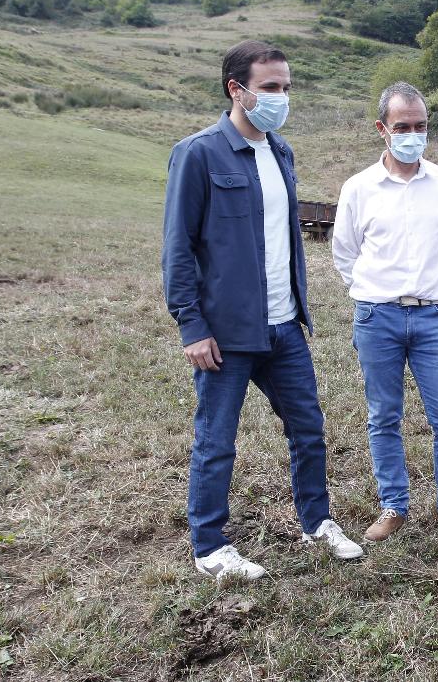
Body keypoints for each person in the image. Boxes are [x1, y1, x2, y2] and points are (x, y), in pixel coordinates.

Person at [162, 39, 364, 580]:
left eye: (286, 87)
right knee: (216, 439)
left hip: (284, 326)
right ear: (237, 89)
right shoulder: (199, 153)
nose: (280, 97)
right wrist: (191, 324)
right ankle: (210, 547)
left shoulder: (281, 152)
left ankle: (317, 522)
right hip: (226, 333)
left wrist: (298, 309)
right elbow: (178, 246)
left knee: (308, 428)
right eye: (270, 87)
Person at [331, 82, 438, 550]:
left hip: (432, 319)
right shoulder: (358, 188)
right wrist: (371, 293)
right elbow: (345, 252)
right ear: (383, 129)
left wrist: (428, 292)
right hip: (376, 317)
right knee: (384, 416)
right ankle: (394, 507)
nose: (413, 134)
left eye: (421, 126)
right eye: (403, 127)